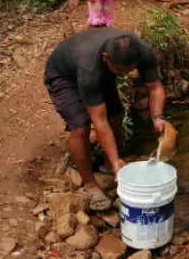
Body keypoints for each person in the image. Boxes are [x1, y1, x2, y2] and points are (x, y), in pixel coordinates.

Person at [44, 29, 168, 211]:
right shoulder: (89, 69)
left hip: (102, 72)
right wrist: (117, 159)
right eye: (120, 70)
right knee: (80, 126)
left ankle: (108, 163)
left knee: (116, 114)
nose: (124, 75)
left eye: (129, 70)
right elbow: (99, 121)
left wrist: (158, 118)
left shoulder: (142, 51)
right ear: (105, 57)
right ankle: (90, 184)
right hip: (64, 76)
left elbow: (155, 88)